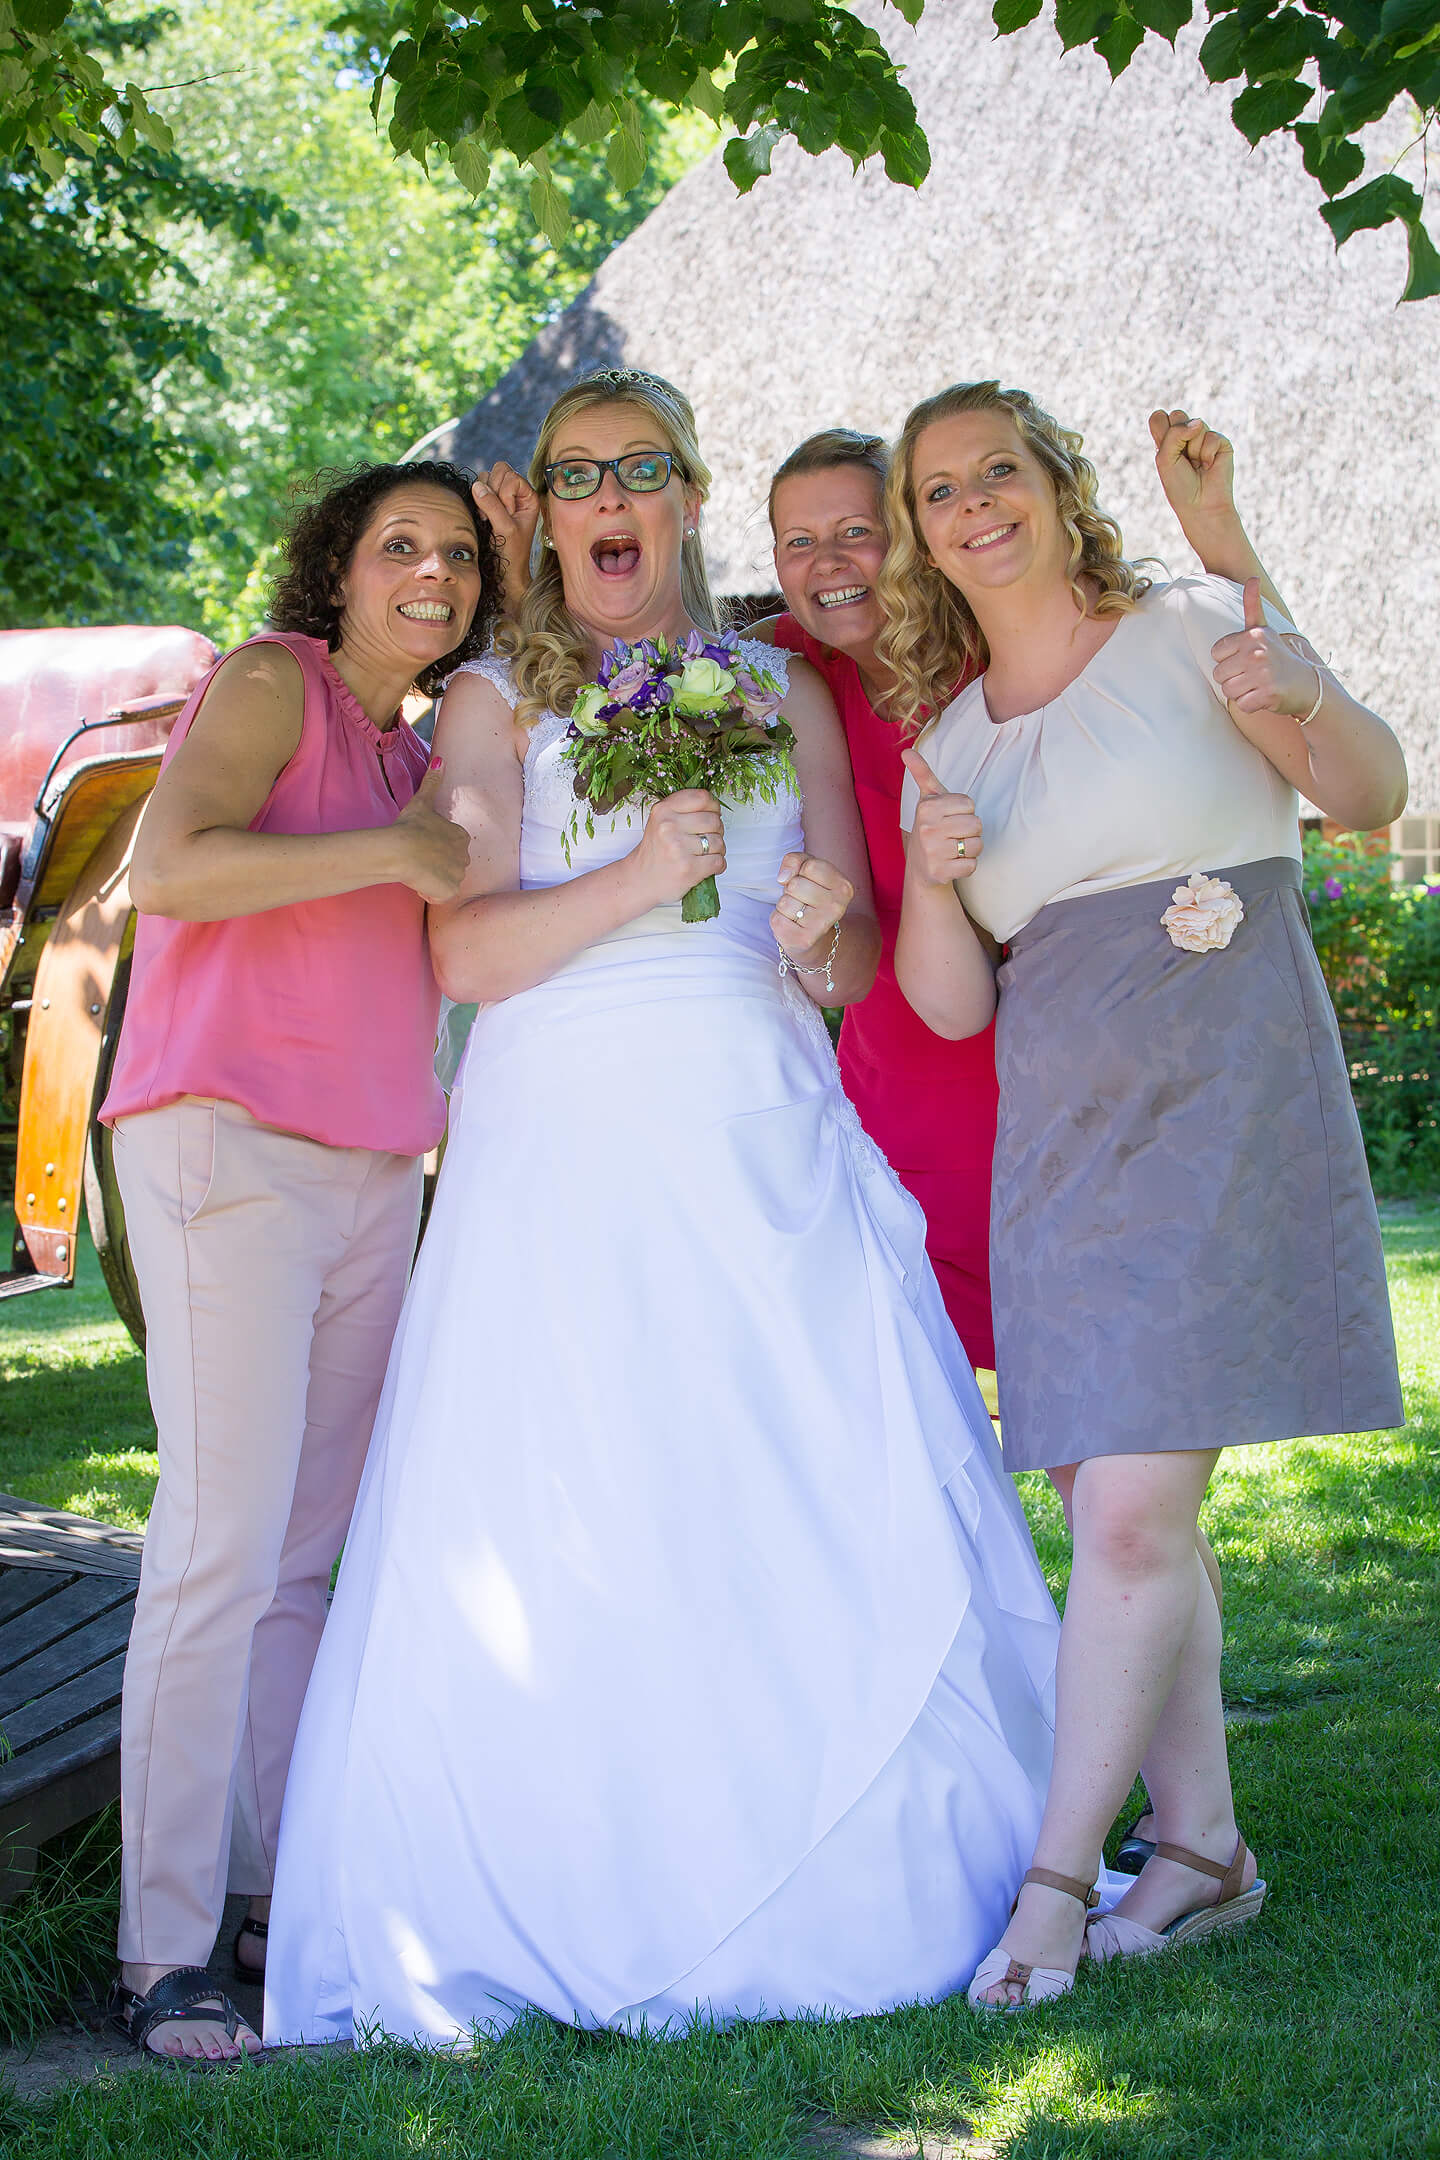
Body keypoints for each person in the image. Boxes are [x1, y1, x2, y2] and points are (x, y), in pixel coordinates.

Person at [264, 368, 1064, 2048]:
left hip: (759, 1119)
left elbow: (842, 967)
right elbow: (466, 953)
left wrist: (817, 930)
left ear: (687, 498)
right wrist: (634, 880)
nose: (607, 500)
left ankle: (856, 1851)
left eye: (639, 471)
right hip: (562, 1141)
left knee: (777, 1465)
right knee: (576, 1484)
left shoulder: (777, 687)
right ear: (544, 517)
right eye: (575, 478)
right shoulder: (490, 705)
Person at [885, 380, 1405, 2008]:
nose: (976, 506)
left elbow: (1371, 791)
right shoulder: (949, 741)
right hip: (1063, 1135)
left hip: (1225, 1101)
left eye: (999, 473)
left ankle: (1055, 1889)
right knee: (1125, 1506)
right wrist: (930, 865)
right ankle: (1202, 1854)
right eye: (941, 490)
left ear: (1055, 485)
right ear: (924, 533)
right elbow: (955, 1004)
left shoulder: (1191, 628)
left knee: (1124, 1511)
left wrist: (1243, 560)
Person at [99, 462, 501, 2060]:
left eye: (460, 557)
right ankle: (158, 1950)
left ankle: (275, 1893)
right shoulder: (276, 684)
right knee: (216, 1547)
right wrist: (389, 858)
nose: (434, 573)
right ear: (338, 571)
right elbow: (172, 870)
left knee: (295, 1572)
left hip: (369, 1177)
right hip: (223, 1149)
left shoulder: (424, 755)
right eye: (401, 545)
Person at [751, 414, 1291, 1381]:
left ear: (911, 541)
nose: (828, 561)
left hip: (1068, 1052)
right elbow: (662, 660)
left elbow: (1217, 676)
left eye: (857, 530)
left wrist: (1221, 537)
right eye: (798, 542)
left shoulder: (1003, 654)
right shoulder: (789, 671)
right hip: (904, 1079)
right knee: (929, 1394)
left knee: (1115, 1381)